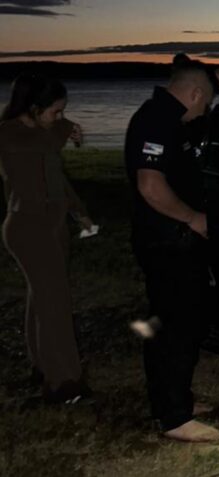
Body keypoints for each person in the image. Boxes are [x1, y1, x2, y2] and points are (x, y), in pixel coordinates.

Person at [124, 37, 219, 442]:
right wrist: (194, 219)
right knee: (176, 324)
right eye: (205, 103)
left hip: (179, 241)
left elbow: (214, 82)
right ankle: (174, 418)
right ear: (192, 95)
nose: (206, 109)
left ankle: (174, 399)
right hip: (166, 241)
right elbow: (150, 185)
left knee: (182, 320)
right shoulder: (156, 120)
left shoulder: (175, 109)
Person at [0, 73, 96, 404]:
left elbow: (57, 179)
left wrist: (80, 213)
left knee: (42, 299)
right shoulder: (9, 134)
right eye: (55, 111)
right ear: (33, 107)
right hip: (27, 227)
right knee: (55, 305)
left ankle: (42, 366)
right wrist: (65, 127)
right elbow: (41, 144)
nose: (60, 117)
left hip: (53, 224)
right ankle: (64, 383)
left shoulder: (45, 133)